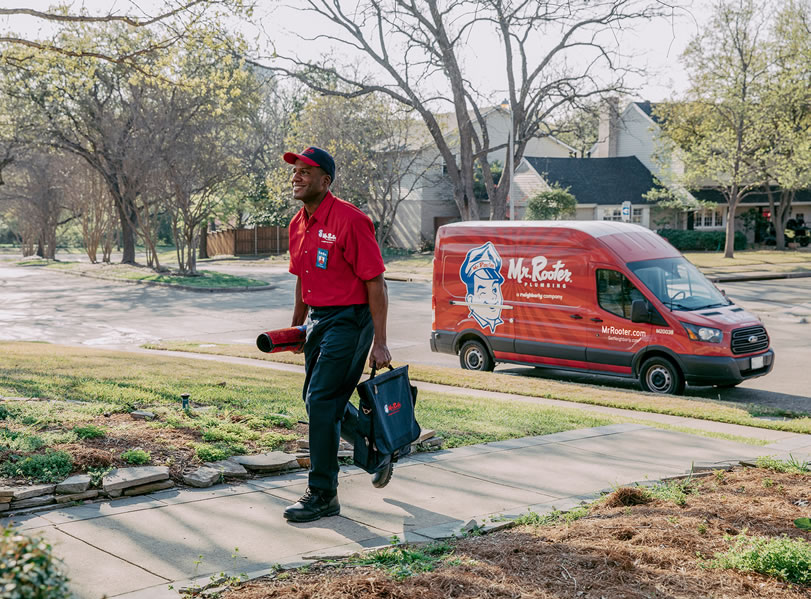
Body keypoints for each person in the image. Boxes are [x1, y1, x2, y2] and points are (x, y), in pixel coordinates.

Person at [281, 146, 393, 523]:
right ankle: (374, 450)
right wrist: (298, 327)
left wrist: (380, 341)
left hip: (351, 320)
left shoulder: (351, 220)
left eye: (306, 172)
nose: (297, 176)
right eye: (295, 171)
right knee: (315, 403)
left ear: (325, 181)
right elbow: (302, 279)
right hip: (318, 321)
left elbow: (376, 283)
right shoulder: (298, 224)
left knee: (322, 398)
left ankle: (323, 493)